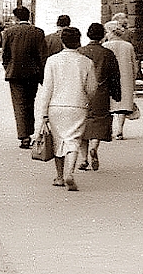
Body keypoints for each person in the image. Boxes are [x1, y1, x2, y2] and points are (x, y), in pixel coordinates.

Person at [36, 25, 98, 191]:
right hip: (77, 106)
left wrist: (43, 113)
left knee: (58, 141)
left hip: (55, 106)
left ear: (62, 41)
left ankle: (59, 176)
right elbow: (92, 88)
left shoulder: (52, 61)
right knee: (73, 141)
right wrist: (87, 101)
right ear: (79, 42)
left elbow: (47, 88)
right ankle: (70, 173)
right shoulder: (87, 62)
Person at [1, 5, 47, 150]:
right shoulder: (38, 32)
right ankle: (29, 131)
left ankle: (24, 136)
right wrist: (42, 75)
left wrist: (8, 68)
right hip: (33, 74)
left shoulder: (9, 32)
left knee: (19, 104)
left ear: (15, 18)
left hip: (15, 74)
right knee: (29, 103)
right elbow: (42, 56)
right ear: (29, 16)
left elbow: (5, 55)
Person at [78, 22, 122, 172]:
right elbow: (115, 76)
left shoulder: (80, 52)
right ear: (103, 36)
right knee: (99, 122)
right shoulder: (107, 54)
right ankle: (94, 147)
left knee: (82, 125)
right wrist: (117, 94)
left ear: (87, 35)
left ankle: (83, 159)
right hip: (101, 93)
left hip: (82, 94)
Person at [103, 20, 139, 139]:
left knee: (109, 105)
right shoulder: (128, 46)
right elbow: (135, 65)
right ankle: (119, 130)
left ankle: (109, 129)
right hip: (125, 78)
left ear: (111, 32)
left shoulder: (105, 46)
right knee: (123, 106)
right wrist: (133, 78)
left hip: (110, 78)